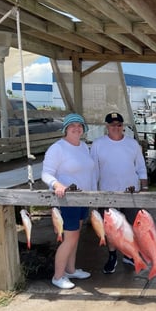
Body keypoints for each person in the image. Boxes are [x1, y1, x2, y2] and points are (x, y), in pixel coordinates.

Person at [42, 113, 96, 289]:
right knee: (69, 239)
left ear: (83, 129)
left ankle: (71, 270)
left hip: (82, 199)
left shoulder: (83, 147)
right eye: (72, 125)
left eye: (79, 125)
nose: (76, 128)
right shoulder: (57, 148)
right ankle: (58, 276)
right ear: (65, 129)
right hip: (66, 201)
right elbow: (46, 173)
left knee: (75, 237)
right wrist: (57, 184)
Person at [90, 112, 148, 274]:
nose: (116, 128)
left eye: (119, 125)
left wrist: (144, 189)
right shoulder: (97, 144)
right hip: (107, 194)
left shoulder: (133, 144)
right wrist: (93, 194)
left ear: (123, 126)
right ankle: (112, 255)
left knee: (131, 226)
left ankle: (129, 254)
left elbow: (141, 168)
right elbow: (93, 171)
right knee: (111, 230)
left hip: (131, 193)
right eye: (112, 125)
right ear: (107, 127)